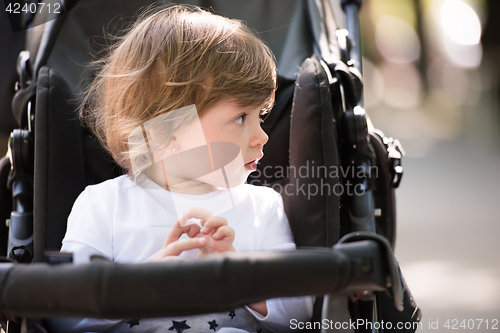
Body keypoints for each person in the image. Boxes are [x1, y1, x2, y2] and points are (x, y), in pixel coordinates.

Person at [48, 4, 313, 333]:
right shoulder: (103, 205)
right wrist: (140, 285)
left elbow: (299, 317)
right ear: (165, 131)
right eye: (240, 118)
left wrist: (236, 273)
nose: (262, 136)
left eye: (260, 116)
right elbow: (62, 315)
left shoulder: (263, 207)